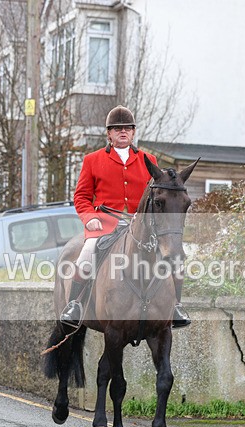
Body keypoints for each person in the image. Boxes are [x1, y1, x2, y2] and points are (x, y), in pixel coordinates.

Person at [59, 105, 191, 329]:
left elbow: (156, 194)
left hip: (139, 226)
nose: (123, 132)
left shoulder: (148, 159)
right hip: (104, 224)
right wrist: (88, 217)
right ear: (109, 133)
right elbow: (81, 196)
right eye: (117, 128)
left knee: (175, 259)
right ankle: (74, 305)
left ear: (133, 132)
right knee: (86, 253)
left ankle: (175, 306)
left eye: (128, 128)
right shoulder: (92, 160)